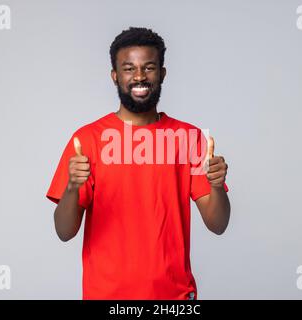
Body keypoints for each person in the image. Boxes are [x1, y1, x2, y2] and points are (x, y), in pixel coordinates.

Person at [46, 27, 231, 300]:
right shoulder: (87, 139)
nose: (140, 77)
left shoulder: (189, 138)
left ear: (163, 74)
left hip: (174, 297)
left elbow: (218, 224)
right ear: (115, 76)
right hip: (106, 296)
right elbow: (64, 232)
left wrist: (216, 186)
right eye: (129, 68)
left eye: (149, 67)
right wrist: (73, 188)